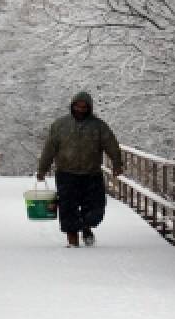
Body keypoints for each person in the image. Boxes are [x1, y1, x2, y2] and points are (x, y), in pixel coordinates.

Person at [36, 91, 123, 247]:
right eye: (77, 106)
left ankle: (86, 226)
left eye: (84, 107)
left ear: (89, 108)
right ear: (72, 105)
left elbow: (112, 145)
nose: (80, 109)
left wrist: (117, 164)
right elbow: (49, 149)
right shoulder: (59, 125)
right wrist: (42, 169)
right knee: (68, 208)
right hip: (66, 174)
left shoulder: (98, 126)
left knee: (96, 209)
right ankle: (72, 239)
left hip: (92, 174)